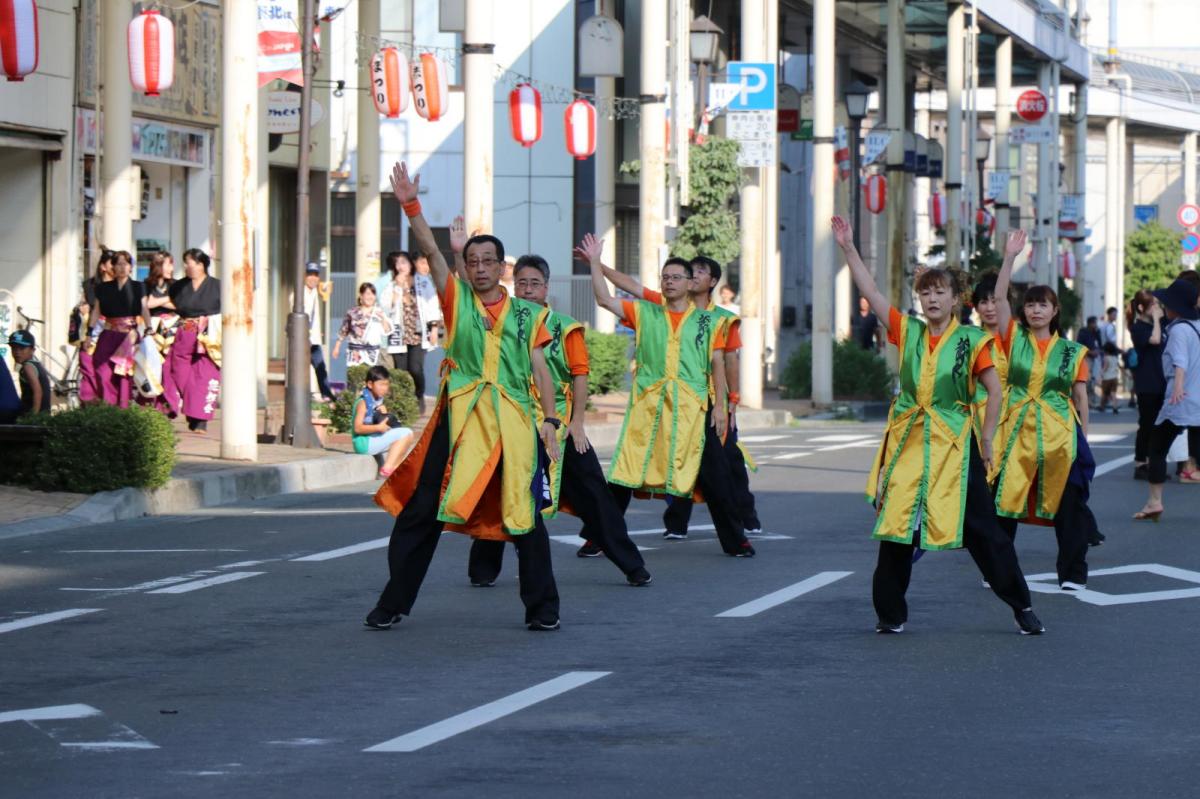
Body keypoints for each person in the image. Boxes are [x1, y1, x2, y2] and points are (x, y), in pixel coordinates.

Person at [366, 161, 562, 632]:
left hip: (514, 422)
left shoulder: (526, 315)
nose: (479, 269)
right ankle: (392, 602)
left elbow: (541, 372)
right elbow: (431, 252)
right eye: (472, 262)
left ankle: (543, 609)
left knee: (526, 513)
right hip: (460, 421)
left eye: (487, 261)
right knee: (421, 509)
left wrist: (551, 423)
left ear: (502, 266)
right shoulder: (458, 302)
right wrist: (412, 205)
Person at [832, 215, 1043, 635]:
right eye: (925, 292)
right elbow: (871, 292)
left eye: (939, 292)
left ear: (954, 300)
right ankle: (889, 614)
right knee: (895, 530)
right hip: (909, 442)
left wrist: (986, 440)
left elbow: (994, 391)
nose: (931, 299)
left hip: (955, 445)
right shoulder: (906, 331)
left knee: (984, 531)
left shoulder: (971, 340)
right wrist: (848, 248)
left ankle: (1021, 606)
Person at [466, 254, 652, 587]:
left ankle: (632, 565)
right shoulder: (499, 321)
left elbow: (580, 376)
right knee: (499, 491)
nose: (527, 289)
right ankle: (483, 570)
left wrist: (577, 423)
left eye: (534, 283)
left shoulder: (564, 327)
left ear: (546, 288)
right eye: (521, 282)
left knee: (595, 496)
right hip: (511, 422)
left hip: (561, 426)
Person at [582, 235, 756, 558]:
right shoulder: (646, 312)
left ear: (691, 283)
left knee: (716, 476)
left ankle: (736, 540)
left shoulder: (710, 321)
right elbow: (606, 299)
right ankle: (597, 536)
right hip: (649, 409)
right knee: (624, 473)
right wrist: (595, 262)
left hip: (695, 411)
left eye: (676, 277)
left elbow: (718, 362)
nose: (669, 282)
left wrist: (722, 406)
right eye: (665, 277)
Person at [991, 238, 1096, 591]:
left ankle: (1073, 574)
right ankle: (998, 571)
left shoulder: (1072, 352)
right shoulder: (1013, 339)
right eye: (1031, 305)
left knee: (1069, 505)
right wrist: (1009, 258)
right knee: (1003, 504)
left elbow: (1080, 396)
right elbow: (1000, 297)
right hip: (1016, 433)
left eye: (1043, 305)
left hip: (1059, 437)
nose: (1036, 310)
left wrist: (1084, 436)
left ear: (1055, 311)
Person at [1136, 278, 1200, 519]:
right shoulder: (1197, 326)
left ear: (1174, 307)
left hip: (1181, 399)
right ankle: (1153, 502)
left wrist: (1178, 388)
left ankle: (1154, 502)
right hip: (1196, 397)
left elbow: (1180, 361)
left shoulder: (1179, 330)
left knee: (1157, 447)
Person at [86, 250, 150, 408]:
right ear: (112, 267)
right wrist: (89, 333)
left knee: (123, 374)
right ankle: (109, 406)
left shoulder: (138, 287)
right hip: (108, 334)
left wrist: (149, 327)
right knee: (102, 370)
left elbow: (144, 309)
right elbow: (96, 311)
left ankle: (123, 409)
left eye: (126, 264)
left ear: (131, 267)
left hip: (129, 336)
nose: (122, 267)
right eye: (118, 264)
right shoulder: (103, 288)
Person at [167, 248, 222, 433]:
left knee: (205, 375)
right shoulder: (178, 286)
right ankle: (192, 410)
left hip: (209, 334)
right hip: (185, 332)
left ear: (201, 264)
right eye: (185, 262)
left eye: (189, 262)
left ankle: (199, 419)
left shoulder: (218, 286)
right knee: (179, 371)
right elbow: (172, 305)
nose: (186, 266)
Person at [378, 250, 435, 413]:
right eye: (398, 264)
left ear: (410, 264)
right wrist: (397, 288)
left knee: (415, 368)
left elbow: (432, 304)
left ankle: (419, 395)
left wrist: (434, 328)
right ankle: (403, 402)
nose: (401, 266)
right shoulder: (391, 285)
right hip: (399, 334)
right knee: (401, 370)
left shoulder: (422, 282)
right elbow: (386, 306)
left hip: (418, 333)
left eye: (404, 262)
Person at [1129, 290, 1166, 480]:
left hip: (1160, 382)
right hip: (1146, 383)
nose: (1157, 308)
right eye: (1153, 304)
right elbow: (1155, 340)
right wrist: (1158, 321)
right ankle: (1140, 462)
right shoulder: (1138, 328)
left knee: (1158, 425)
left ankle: (1152, 462)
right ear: (1142, 308)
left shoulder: (1154, 325)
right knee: (1146, 424)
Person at [352, 365, 414, 478]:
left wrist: (383, 415)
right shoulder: (363, 403)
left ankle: (395, 468)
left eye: (386, 384)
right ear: (370, 384)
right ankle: (387, 468)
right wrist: (378, 428)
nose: (384, 388)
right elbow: (357, 428)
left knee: (407, 436)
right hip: (363, 443)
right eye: (381, 384)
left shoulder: (376, 402)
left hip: (370, 440)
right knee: (406, 433)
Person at [142, 251, 179, 416]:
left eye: (172, 264)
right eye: (168, 264)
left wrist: (159, 301)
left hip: (172, 328)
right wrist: (167, 300)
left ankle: (169, 404)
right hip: (152, 329)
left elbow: (180, 304)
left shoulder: (176, 285)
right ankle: (150, 405)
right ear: (159, 265)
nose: (171, 268)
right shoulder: (146, 285)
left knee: (169, 368)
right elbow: (146, 304)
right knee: (152, 367)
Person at [77, 249, 115, 404]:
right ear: (103, 266)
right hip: (91, 336)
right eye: (112, 263)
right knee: (89, 372)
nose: (116, 267)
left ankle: (109, 407)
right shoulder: (90, 286)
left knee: (107, 374)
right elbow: (85, 305)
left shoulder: (122, 286)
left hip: (113, 336)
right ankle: (89, 407)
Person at [296, 263, 336, 403]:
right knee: (302, 369)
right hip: (302, 339)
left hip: (313, 339)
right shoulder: (299, 294)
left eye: (315, 275)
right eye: (310, 275)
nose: (313, 278)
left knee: (320, 367)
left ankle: (326, 394)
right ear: (304, 276)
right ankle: (303, 395)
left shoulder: (315, 293)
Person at [332, 283, 392, 368]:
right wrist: (337, 347)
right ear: (361, 296)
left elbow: (387, 331)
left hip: (373, 353)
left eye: (373, 294)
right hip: (355, 353)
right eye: (368, 294)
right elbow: (344, 330)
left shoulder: (379, 311)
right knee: (355, 378)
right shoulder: (352, 312)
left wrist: (383, 319)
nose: (370, 297)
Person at [8, 330, 51, 415]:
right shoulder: (36, 364)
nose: (17, 352)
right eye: (14, 348)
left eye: (21, 348)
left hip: (35, 416)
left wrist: (33, 417)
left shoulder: (28, 367)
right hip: (43, 415)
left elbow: (38, 391)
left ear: (32, 350)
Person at [1076, 316, 1101, 409]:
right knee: (1087, 380)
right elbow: (1079, 346)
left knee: (1094, 380)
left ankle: (1091, 400)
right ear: (1090, 323)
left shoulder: (1096, 332)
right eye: (1094, 323)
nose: (1095, 325)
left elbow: (1099, 343)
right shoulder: (1083, 332)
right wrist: (1090, 352)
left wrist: (1098, 351)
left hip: (1095, 359)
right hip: (1086, 358)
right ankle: (1086, 401)